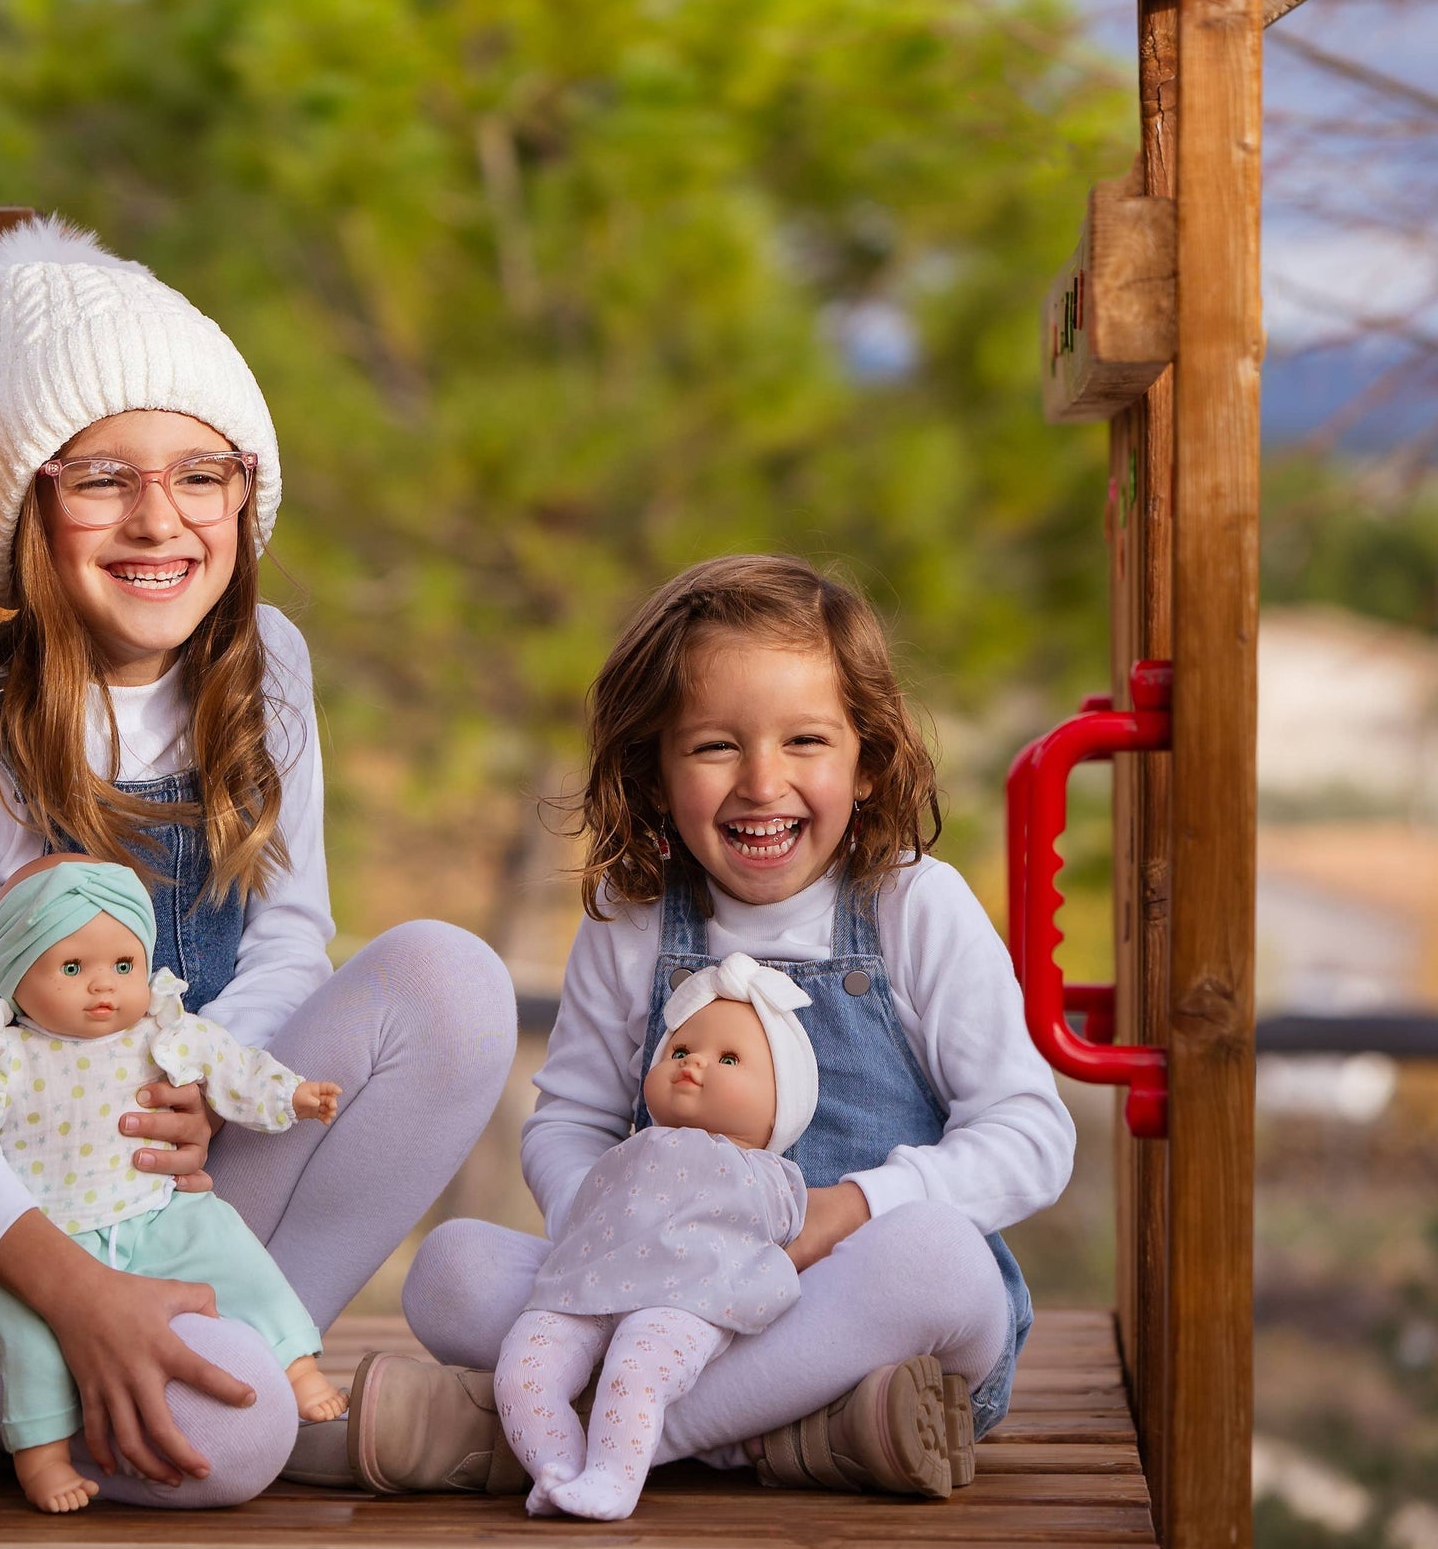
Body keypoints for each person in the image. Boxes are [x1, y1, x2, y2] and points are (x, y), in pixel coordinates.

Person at [0, 215, 517, 1508]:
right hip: (10, 1269)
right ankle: (282, 1400)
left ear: (242, 495)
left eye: (200, 475)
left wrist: (213, 1098)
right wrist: (70, 1282)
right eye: (102, 477)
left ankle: (261, 1348)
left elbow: (282, 941)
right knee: (238, 1444)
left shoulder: (269, 673)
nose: (160, 519)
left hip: (175, 1181)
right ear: (31, 503)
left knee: (450, 981)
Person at [356, 554, 1072, 1498]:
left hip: (856, 1314)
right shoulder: (634, 915)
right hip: (671, 1302)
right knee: (449, 1270)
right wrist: (606, 1232)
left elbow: (1031, 1136)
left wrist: (850, 1210)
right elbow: (569, 1119)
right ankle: (793, 1437)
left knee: (940, 1261)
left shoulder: (913, 908)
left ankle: (599, 1438)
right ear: (653, 771)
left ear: (867, 761)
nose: (762, 782)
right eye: (714, 747)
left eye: (806, 740)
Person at [0, 856, 345, 1511]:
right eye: (73, 969)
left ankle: (296, 1366)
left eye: (123, 967)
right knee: (32, 1342)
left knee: (236, 1258)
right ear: (17, 977)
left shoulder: (161, 1032)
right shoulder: (1, 1052)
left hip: (155, 1208)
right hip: (54, 1231)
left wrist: (293, 1095)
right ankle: (42, 1456)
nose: (103, 988)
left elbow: (232, 1067)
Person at [496, 952, 816, 1520]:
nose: (694, 1064)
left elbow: (782, 1232)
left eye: (730, 1058)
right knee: (523, 1368)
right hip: (587, 1284)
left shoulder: (770, 1172)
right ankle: (557, 1467)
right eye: (681, 1050)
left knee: (637, 1367)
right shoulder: (628, 1148)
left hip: (688, 1298)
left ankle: (614, 1480)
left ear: (781, 1106)